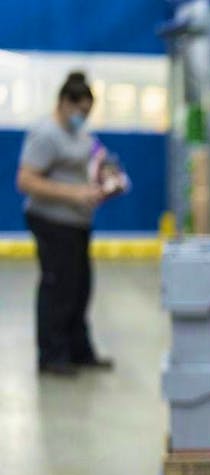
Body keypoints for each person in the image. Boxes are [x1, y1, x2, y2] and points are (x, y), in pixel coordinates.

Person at [17, 71, 113, 377]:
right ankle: (52, 355)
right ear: (63, 103)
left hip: (77, 223)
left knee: (80, 288)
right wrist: (73, 193)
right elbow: (26, 180)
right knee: (58, 289)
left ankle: (79, 350)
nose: (82, 117)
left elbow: (99, 159)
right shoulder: (46, 134)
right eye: (79, 110)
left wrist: (108, 179)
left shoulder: (81, 135)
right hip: (51, 220)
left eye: (87, 112)